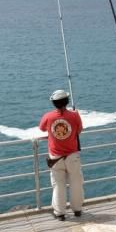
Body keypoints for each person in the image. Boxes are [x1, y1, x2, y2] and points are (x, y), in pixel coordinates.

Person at [39, 89, 84, 220]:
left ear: (54, 103)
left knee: (58, 185)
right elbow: (79, 130)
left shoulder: (48, 116)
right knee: (76, 183)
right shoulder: (75, 115)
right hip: (72, 156)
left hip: (55, 157)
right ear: (67, 101)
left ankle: (60, 213)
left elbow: (42, 128)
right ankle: (77, 210)